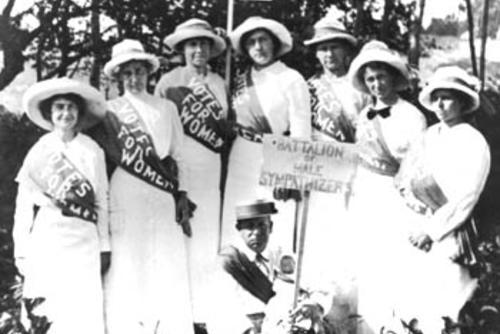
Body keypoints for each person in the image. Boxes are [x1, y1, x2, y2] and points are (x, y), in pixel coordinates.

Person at [101, 39, 194, 334]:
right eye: (127, 73)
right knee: (130, 261)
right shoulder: (109, 112)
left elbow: (180, 156)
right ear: (118, 77)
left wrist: (182, 195)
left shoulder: (166, 108)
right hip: (125, 191)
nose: (134, 78)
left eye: (139, 71)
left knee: (164, 261)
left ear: (148, 74)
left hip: (162, 193)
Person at [393, 66, 490, 333]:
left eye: (448, 97)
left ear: (462, 101)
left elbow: (466, 195)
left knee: (449, 304)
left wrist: (432, 230)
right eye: (436, 98)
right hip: (419, 226)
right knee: (416, 303)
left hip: (450, 231)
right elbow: (410, 176)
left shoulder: (474, 140)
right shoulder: (429, 135)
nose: (440, 104)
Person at [13, 78, 109, 334]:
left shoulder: (92, 150)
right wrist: (20, 250)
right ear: (50, 113)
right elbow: (23, 204)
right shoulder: (39, 150)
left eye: (71, 107)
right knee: (50, 307)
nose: (65, 113)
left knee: (82, 308)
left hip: (84, 240)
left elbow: (101, 201)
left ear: (79, 112)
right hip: (49, 238)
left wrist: (104, 245)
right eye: (59, 107)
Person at [346, 40, 427, 334]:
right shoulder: (363, 115)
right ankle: (367, 325)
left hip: (397, 195)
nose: (377, 84)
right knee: (367, 261)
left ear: (393, 77)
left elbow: (418, 163)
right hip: (366, 192)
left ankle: (397, 326)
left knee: (395, 261)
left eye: (381, 77)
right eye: (370, 79)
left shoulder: (411, 115)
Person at [155, 18, 229, 326]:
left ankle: (204, 316)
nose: (198, 49)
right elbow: (159, 133)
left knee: (207, 240)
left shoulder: (220, 82)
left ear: (212, 49)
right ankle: (178, 317)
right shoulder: (168, 82)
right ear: (182, 48)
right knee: (180, 240)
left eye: (203, 43)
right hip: (181, 171)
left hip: (211, 169)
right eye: (192, 44)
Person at [221, 16, 311, 253]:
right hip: (241, 155)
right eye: (251, 42)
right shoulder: (240, 80)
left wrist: (288, 174)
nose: (258, 47)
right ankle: (239, 278)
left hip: (275, 155)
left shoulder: (291, 78)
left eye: (263, 40)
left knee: (272, 222)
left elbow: (301, 132)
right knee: (239, 218)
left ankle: (276, 282)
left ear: (274, 43)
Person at [302, 17, 369, 333]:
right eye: (323, 49)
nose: (329, 55)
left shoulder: (361, 89)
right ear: (316, 55)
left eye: (335, 49)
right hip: (321, 178)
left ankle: (352, 320)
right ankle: (321, 318)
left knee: (352, 246)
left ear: (347, 52)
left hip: (357, 176)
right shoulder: (309, 88)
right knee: (322, 244)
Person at [207, 200, 330, 334]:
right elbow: (220, 309)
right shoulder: (229, 262)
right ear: (238, 228)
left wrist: (315, 306)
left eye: (261, 225)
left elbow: (318, 285)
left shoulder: (281, 255)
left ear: (270, 226)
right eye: (249, 226)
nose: (256, 232)